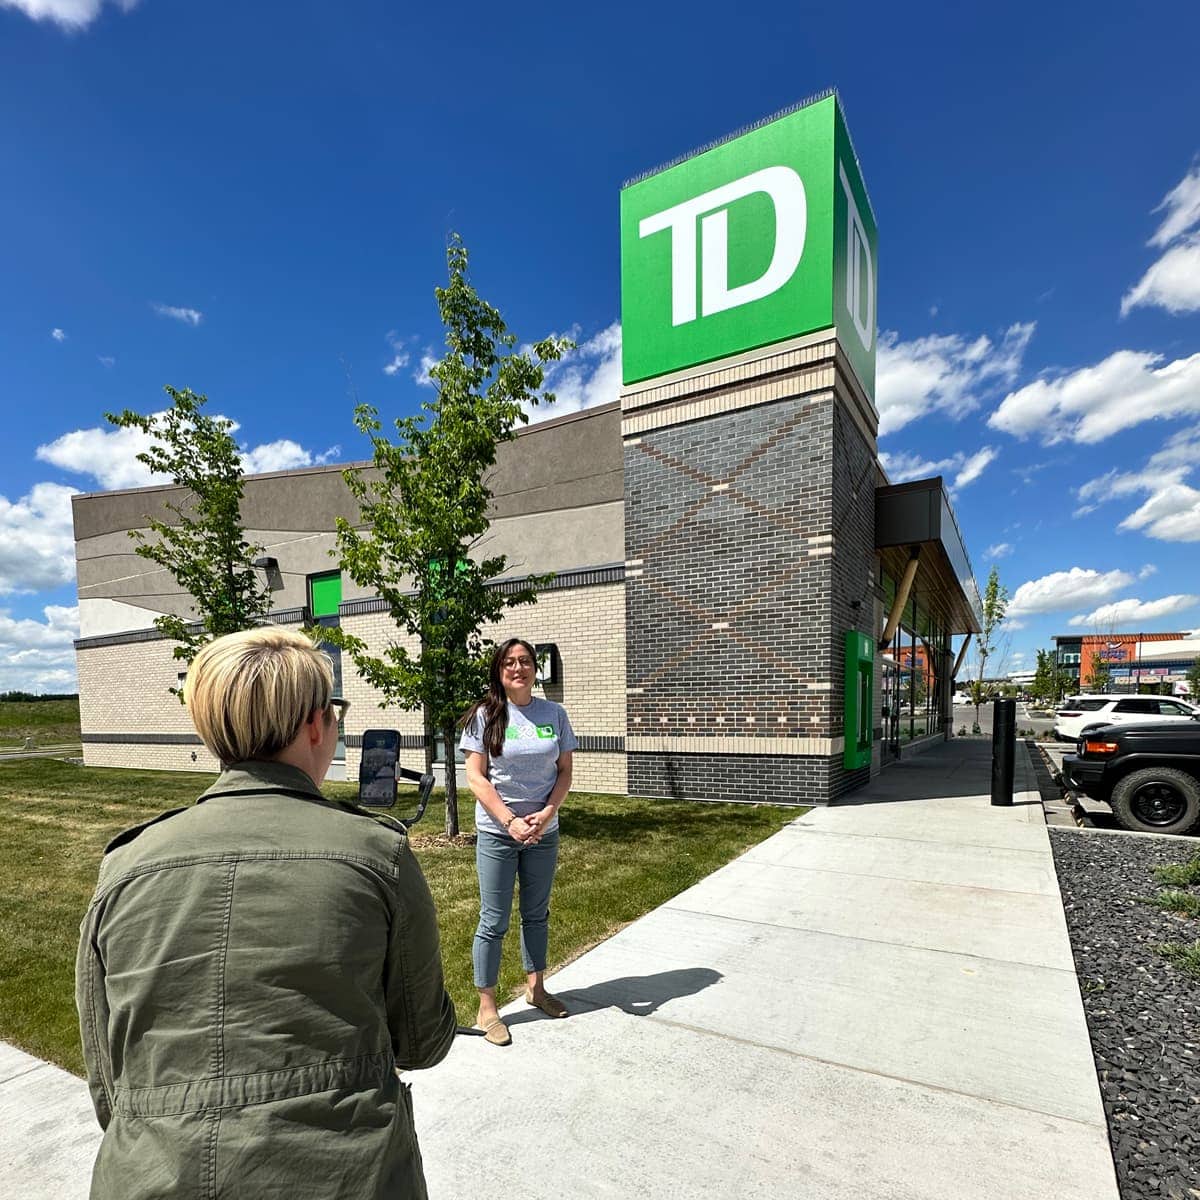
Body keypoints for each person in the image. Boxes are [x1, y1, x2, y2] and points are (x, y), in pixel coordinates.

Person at [75, 627, 456, 1200]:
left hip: (146, 1176)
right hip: (345, 1175)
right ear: (313, 724)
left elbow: (108, 1078)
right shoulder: (377, 853)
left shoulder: (124, 866)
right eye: (336, 711)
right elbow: (422, 1042)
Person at [460, 637, 577, 1046]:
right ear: (499, 670)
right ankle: (487, 1007)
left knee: (537, 913)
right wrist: (509, 820)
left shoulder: (554, 713)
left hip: (543, 830)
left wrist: (546, 814)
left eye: (525, 661)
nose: (518, 668)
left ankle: (536, 988)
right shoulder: (485, 715)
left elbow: (564, 772)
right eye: (509, 662)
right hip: (498, 832)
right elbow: (476, 777)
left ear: (534, 668)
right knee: (494, 919)